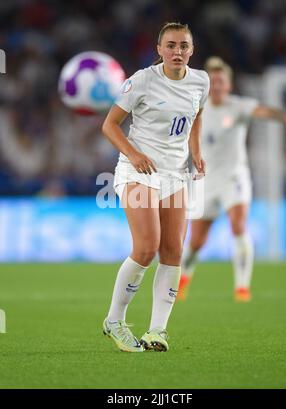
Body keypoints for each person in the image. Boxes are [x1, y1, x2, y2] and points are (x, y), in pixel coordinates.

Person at [101, 22, 209, 352]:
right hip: (138, 172)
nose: (178, 51)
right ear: (159, 50)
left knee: (174, 251)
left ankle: (157, 332)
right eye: (171, 45)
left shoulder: (200, 81)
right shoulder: (142, 80)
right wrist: (133, 154)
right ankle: (115, 321)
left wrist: (195, 150)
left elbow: (196, 115)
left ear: (192, 50)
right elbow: (109, 125)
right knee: (147, 247)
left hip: (176, 174)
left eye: (184, 46)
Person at [178, 57, 286, 302]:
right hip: (205, 180)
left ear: (229, 85)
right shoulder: (195, 109)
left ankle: (242, 287)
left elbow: (264, 111)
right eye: (213, 82)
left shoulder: (238, 106)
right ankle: (183, 280)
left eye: (221, 81)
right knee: (197, 241)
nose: (217, 86)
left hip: (235, 177)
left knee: (238, 226)